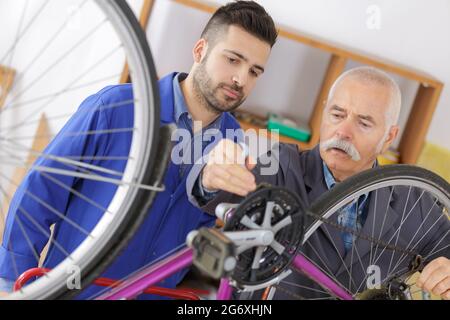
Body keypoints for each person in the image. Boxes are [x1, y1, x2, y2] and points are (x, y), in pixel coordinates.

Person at [0, 0, 278, 299]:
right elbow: (40, 191)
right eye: (233, 60)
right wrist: (13, 281)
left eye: (254, 71)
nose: (241, 79)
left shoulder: (235, 143)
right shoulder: (117, 107)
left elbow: (206, 234)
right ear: (200, 50)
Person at [188, 66, 450, 299]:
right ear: (324, 112)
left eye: (363, 123)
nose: (343, 132)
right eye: (337, 115)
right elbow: (219, 196)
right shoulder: (282, 164)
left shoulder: (413, 201)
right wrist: (210, 176)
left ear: (389, 137)